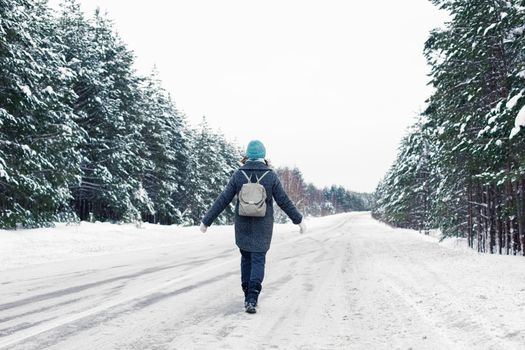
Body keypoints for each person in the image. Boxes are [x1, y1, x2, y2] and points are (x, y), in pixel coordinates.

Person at [200, 140, 306, 314]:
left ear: (247, 155)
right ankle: (252, 297)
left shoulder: (238, 175)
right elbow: (284, 201)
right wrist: (299, 220)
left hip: (242, 226)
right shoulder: (271, 176)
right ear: (263, 156)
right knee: (258, 259)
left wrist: (206, 221)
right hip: (263, 226)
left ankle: (246, 293)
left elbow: (223, 199)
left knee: (246, 258)